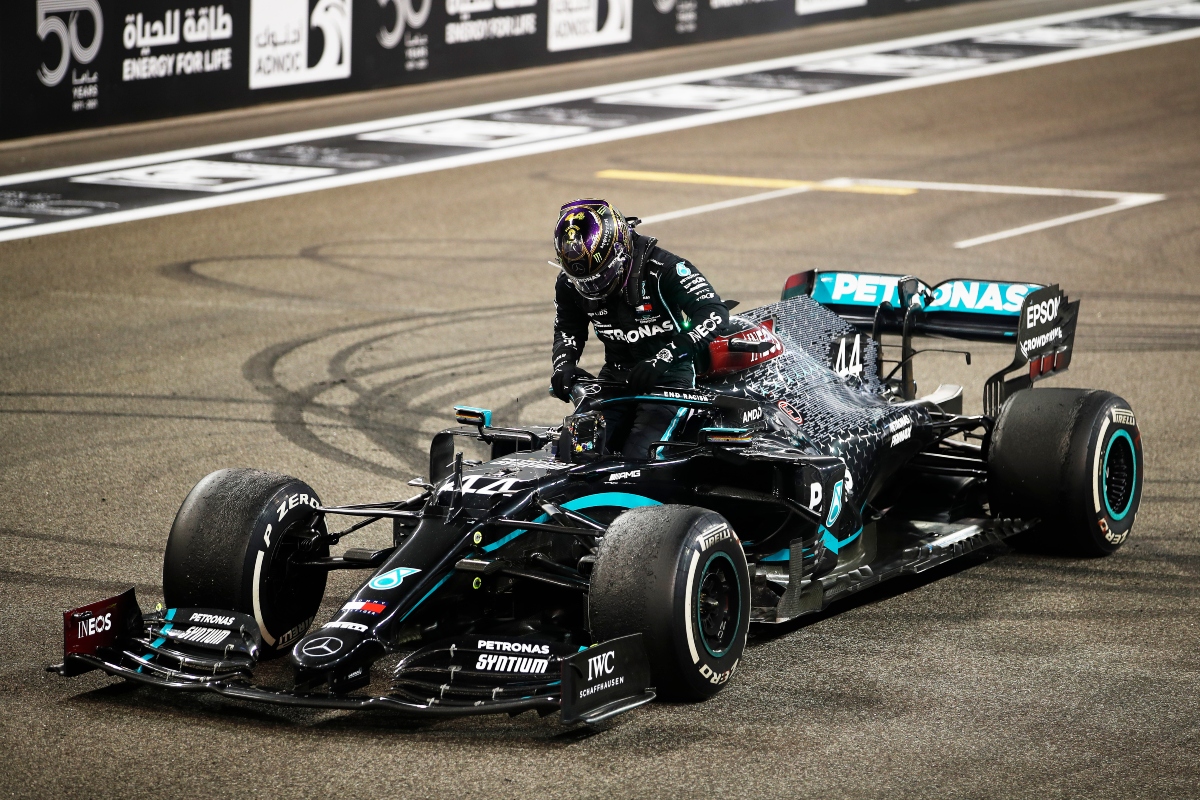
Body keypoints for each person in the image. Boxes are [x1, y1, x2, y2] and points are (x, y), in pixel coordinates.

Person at [549, 198, 730, 458]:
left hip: (669, 380)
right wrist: (563, 365)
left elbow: (714, 312)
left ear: (620, 251)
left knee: (637, 457)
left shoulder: (665, 269)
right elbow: (568, 329)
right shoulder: (568, 283)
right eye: (583, 281)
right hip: (613, 378)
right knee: (575, 452)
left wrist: (663, 359)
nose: (591, 288)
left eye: (599, 276)